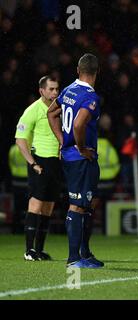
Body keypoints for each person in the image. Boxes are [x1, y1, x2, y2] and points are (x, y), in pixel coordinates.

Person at [47, 53, 104, 268]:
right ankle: (73, 259)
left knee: (87, 204)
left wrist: (63, 142)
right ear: (97, 72)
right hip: (80, 158)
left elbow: (51, 113)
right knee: (77, 205)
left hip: (71, 156)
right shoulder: (91, 97)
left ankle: (85, 253)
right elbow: (79, 125)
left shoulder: (68, 89)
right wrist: (80, 148)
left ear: (78, 70)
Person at [14, 76, 61, 261]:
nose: (55, 92)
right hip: (40, 161)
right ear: (42, 90)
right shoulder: (32, 110)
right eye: (51, 89)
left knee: (49, 207)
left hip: (55, 163)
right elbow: (20, 139)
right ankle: (28, 250)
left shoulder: (60, 108)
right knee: (36, 204)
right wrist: (32, 163)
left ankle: (39, 250)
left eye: (57, 89)